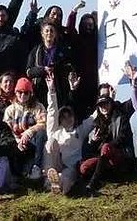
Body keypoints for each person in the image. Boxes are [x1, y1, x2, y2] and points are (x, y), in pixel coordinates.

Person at [42, 68, 95, 196]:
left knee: (66, 176)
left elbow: (94, 118)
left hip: (70, 166)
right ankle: (49, 179)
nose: (67, 119)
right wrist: (51, 91)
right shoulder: (55, 130)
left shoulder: (79, 130)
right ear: (60, 120)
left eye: (69, 116)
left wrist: (108, 99)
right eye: (64, 117)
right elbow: (52, 111)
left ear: (73, 117)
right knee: (50, 142)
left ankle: (57, 184)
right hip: (55, 164)